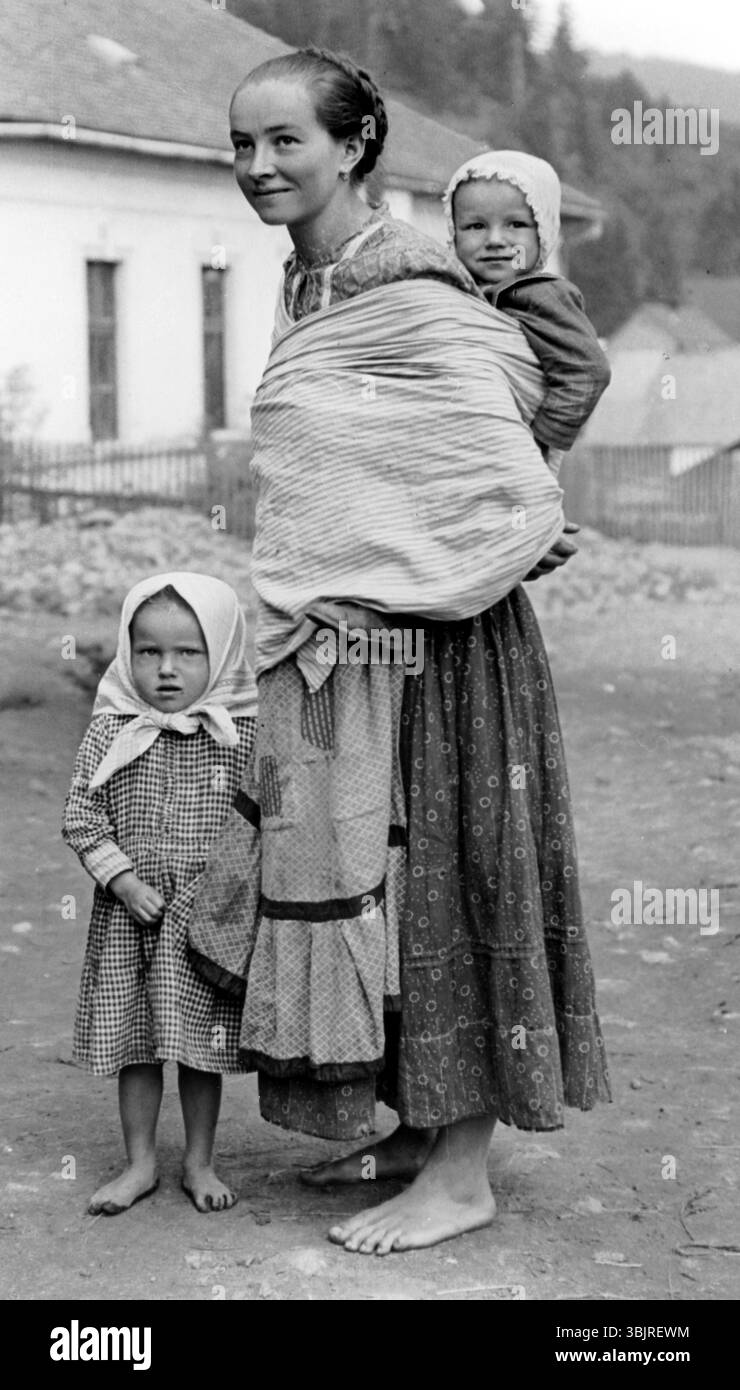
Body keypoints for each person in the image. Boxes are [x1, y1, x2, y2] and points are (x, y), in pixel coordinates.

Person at [189, 46, 611, 1255]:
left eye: (285, 142)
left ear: (353, 147)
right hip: (346, 635)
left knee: (450, 865)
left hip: (444, 640)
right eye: (241, 144)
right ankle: (420, 1124)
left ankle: (463, 1169)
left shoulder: (414, 277)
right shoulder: (307, 283)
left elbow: (494, 439)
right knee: (365, 870)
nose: (258, 166)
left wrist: (496, 525)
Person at [62, 573, 257, 1215]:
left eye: (188, 653)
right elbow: (81, 815)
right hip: (132, 921)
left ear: (223, 653)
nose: (166, 670)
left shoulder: (241, 736)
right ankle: (140, 1162)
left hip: (207, 925)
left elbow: (264, 823)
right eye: (149, 652)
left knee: (199, 1048)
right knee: (137, 1045)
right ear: (127, 652)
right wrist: (121, 878)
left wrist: (233, 892)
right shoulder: (111, 730)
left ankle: (199, 1162)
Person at [445, 150, 611, 477]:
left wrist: (536, 447)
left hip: (520, 456)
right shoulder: (455, 291)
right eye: (475, 226)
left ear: (543, 232)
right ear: (453, 233)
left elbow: (588, 371)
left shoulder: (540, 294)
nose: (495, 240)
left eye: (516, 225)